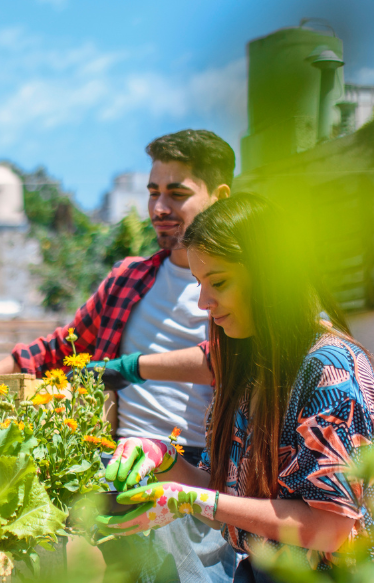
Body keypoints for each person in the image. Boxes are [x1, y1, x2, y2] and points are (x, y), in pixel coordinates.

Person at [0, 129, 237, 583]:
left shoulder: (235, 285)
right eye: (153, 193)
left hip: (196, 472)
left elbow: (227, 362)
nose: (159, 208)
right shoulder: (129, 278)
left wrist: (128, 368)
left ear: (219, 196)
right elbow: (58, 349)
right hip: (114, 463)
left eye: (177, 194)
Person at [100, 193, 374, 581]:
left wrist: (191, 500)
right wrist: (162, 457)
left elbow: (333, 528)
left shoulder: (330, 369)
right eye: (198, 283)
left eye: (219, 282)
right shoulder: (246, 369)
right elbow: (224, 499)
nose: (203, 302)